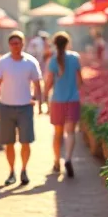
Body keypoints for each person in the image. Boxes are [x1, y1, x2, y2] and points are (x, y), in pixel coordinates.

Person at [0, 31, 43, 186]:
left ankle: (24, 170)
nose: (16, 46)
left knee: (26, 141)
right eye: (13, 43)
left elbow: (37, 84)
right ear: (9, 45)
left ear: (23, 44)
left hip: (25, 107)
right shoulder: (2, 62)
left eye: (18, 43)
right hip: (6, 107)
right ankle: (11, 171)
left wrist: (37, 101)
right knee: (8, 143)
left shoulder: (30, 62)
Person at [44, 31, 82, 178]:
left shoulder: (52, 60)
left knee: (57, 133)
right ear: (68, 43)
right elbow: (80, 80)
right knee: (70, 132)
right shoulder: (75, 58)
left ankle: (56, 161)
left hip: (57, 100)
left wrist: (44, 98)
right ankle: (68, 159)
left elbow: (48, 82)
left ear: (55, 44)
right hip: (72, 99)